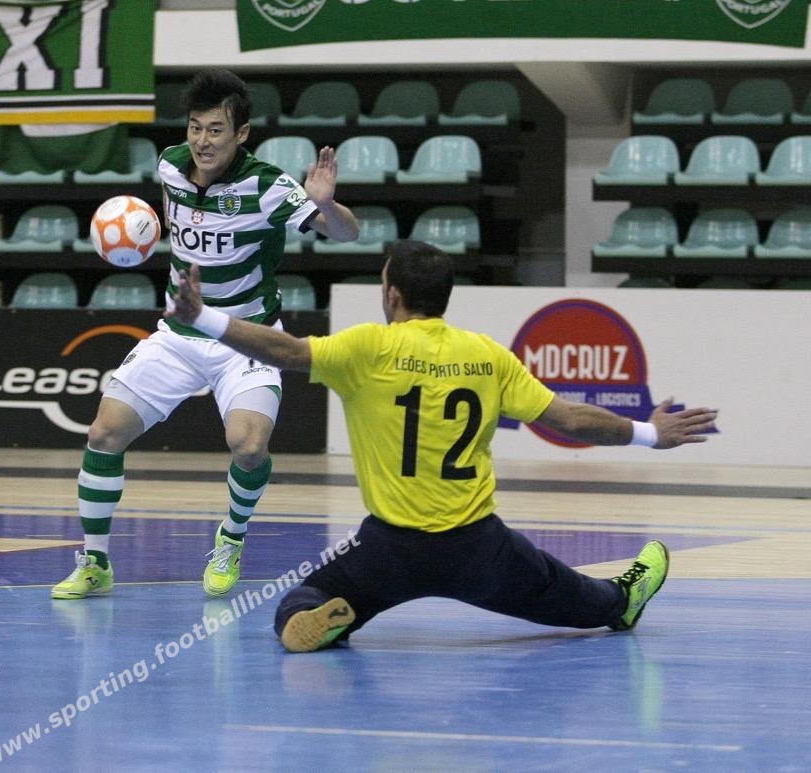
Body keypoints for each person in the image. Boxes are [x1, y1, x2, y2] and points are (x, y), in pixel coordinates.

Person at [167, 239, 718, 651]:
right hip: (478, 549)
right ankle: (622, 601)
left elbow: (284, 352)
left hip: (388, 549)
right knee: (585, 599)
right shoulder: (487, 355)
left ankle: (326, 619)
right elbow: (571, 420)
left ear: (393, 294)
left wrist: (203, 317)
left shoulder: (369, 348)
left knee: (297, 601)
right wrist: (650, 433)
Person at [52, 68, 360, 601]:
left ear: (242, 134)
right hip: (179, 334)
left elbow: (349, 234)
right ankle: (96, 561)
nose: (203, 141)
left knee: (248, 446)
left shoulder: (267, 186)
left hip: (248, 338)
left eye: (216, 130)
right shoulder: (170, 166)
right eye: (196, 127)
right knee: (103, 433)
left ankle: (231, 538)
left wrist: (327, 205)